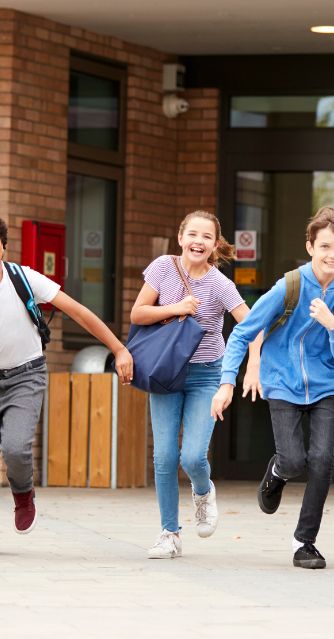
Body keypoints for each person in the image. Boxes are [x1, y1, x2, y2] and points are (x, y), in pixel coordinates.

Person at [0, 203, 134, 556]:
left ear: (2, 242)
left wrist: (119, 348)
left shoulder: (25, 277)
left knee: (16, 448)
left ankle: (23, 492)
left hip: (27, 375)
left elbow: (79, 312)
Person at [212, 206, 334, 570]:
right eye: (325, 246)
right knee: (294, 460)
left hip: (327, 386)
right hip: (281, 381)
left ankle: (304, 541)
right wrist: (227, 382)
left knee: (322, 460)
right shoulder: (290, 286)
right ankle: (278, 472)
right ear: (310, 246)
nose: (332, 255)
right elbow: (242, 333)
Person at [131, 211, 262, 559]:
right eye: (192, 234)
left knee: (191, 457)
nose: (198, 241)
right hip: (166, 370)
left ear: (215, 244)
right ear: (180, 238)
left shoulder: (220, 284)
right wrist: (176, 308)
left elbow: (252, 327)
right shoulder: (163, 267)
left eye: (206, 237)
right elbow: (138, 313)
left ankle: (203, 491)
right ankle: (169, 533)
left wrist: (251, 367)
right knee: (163, 456)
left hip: (206, 374)